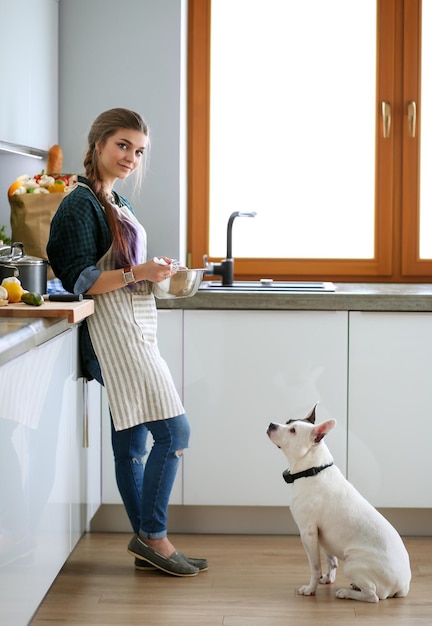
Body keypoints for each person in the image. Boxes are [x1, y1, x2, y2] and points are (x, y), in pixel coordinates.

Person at [47, 108, 207, 577]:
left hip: (133, 328)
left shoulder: (115, 201)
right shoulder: (79, 203)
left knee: (133, 442)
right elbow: (80, 278)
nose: (131, 157)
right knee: (175, 433)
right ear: (98, 144)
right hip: (111, 336)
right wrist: (139, 271)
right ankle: (155, 537)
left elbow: (120, 271)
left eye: (139, 151)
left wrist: (155, 269)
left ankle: (147, 543)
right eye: (123, 146)